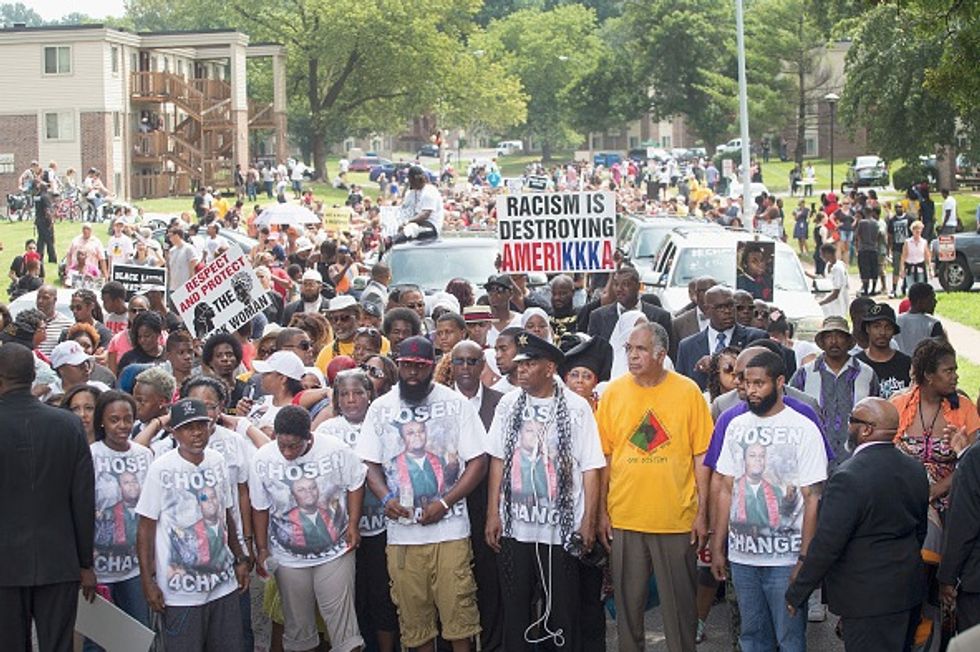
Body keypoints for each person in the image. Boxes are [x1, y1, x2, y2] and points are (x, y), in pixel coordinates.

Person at [356, 336, 487, 652]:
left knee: (460, 621)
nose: (412, 374)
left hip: (451, 532)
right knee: (415, 625)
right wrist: (387, 498)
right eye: (406, 366)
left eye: (419, 367)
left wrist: (445, 502)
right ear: (397, 365)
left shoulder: (456, 404)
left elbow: (478, 461)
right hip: (402, 537)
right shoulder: (380, 407)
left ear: (432, 367)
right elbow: (369, 463)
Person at [596, 322, 712, 652]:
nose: (632, 355)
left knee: (680, 613)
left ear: (661, 354)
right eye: (629, 349)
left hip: (676, 519)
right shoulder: (614, 393)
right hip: (625, 517)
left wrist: (703, 512)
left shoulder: (688, 392)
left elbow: (702, 455)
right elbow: (604, 455)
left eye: (641, 349)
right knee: (627, 612)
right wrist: (603, 511)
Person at [486, 331, 605, 651]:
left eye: (529, 363)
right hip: (516, 527)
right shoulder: (508, 404)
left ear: (550, 367)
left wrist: (588, 522)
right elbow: (497, 459)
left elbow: (591, 467)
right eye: (519, 363)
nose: (520, 369)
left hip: (561, 531)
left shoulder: (577, 408)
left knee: (563, 612)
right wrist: (492, 515)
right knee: (516, 610)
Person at [786, 397, 929, 652]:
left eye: (852, 420)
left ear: (866, 430)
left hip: (867, 598)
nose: (847, 425)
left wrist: (799, 591)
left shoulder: (848, 477)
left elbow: (829, 542)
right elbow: (920, 529)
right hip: (907, 588)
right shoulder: (915, 468)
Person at [710, 350, 827, 652]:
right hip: (742, 558)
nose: (751, 391)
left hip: (785, 561)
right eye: (747, 383)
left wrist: (804, 558)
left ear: (779, 382)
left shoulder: (804, 428)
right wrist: (717, 545)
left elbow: (813, 498)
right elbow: (724, 487)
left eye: (759, 384)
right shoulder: (735, 426)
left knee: (790, 640)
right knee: (751, 638)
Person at [0, 343, 95, 652]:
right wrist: (85, 562)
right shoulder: (68, 425)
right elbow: (83, 499)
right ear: (32, 376)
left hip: (5, 564)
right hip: (60, 559)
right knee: (58, 645)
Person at [135, 398, 251, 650]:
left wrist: (240, 557)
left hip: (222, 582)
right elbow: (145, 528)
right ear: (174, 432)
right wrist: (148, 581)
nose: (196, 433)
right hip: (180, 591)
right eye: (188, 427)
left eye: (201, 425)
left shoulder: (218, 460)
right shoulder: (161, 469)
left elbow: (227, 513)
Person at [251, 406, 366, 652]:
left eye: (294, 446)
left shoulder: (335, 449)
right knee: (298, 630)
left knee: (344, 627)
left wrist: (354, 524)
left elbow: (356, 482)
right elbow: (260, 507)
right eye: (282, 445)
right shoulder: (263, 458)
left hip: (335, 550)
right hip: (288, 556)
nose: (287, 452)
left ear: (308, 437)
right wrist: (261, 548)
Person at [314, 369, 399, 651]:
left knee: (381, 594)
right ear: (336, 399)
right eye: (344, 394)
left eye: (358, 393)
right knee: (352, 596)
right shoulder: (327, 431)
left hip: (381, 527)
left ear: (370, 395)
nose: (351, 399)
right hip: (341, 532)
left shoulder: (385, 424)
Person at [448, 339, 504, 651]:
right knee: (453, 589)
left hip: (489, 504)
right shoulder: (438, 403)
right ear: (451, 366)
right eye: (460, 362)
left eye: (472, 361)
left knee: (490, 584)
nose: (466, 368)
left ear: (483, 365)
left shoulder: (502, 402)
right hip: (450, 506)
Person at [87, 390, 153, 652]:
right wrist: (84, 566)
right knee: (98, 641)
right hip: (99, 567)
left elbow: (150, 510)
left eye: (128, 419)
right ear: (102, 421)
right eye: (114, 420)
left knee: (138, 636)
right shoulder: (90, 455)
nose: (122, 426)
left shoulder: (144, 455)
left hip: (136, 565)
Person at [789, 316, 878, 468]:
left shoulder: (866, 373)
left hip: (856, 457)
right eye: (829, 336)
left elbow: (876, 414)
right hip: (814, 455)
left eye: (839, 336)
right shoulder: (805, 373)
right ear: (822, 342)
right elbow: (791, 411)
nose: (834, 341)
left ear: (848, 341)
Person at [675, 285, 767, 391]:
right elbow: (680, 386)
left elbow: (763, 377)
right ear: (707, 310)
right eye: (720, 307)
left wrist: (716, 363)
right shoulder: (687, 346)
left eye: (731, 306)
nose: (727, 311)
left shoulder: (756, 338)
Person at [587, 266, 675, 358]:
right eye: (616, 284)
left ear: (638, 286)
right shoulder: (598, 317)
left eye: (625, 284)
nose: (619, 289)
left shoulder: (660, 317)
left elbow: (669, 355)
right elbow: (593, 355)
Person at [856, 303, 911, 399]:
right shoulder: (856, 363)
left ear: (894, 331)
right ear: (867, 328)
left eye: (888, 327)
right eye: (876, 327)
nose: (882, 332)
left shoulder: (906, 363)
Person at [393, 166, 443, 244]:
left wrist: (407, 222)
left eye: (410, 179)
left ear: (417, 179)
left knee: (412, 229)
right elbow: (404, 208)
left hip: (430, 226)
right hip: (415, 224)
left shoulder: (430, 191)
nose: (409, 182)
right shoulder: (411, 193)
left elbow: (425, 215)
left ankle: (391, 241)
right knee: (403, 229)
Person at [893, 283, 945, 356]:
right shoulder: (933, 324)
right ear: (920, 302)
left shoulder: (897, 321)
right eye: (931, 299)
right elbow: (941, 352)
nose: (935, 302)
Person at [484, 274, 523, 347]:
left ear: (510, 293)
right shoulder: (482, 323)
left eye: (500, 290)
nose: (494, 294)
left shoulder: (521, 321)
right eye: (490, 290)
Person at [818, 242, 849, 318]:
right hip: (829, 304)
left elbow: (836, 294)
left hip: (838, 304)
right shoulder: (828, 265)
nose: (821, 256)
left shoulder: (838, 268)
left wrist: (820, 303)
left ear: (828, 254)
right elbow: (826, 279)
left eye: (822, 254)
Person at [166, 226, 201, 293]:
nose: (170, 239)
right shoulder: (172, 250)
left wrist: (191, 282)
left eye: (171, 236)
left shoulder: (188, 248)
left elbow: (194, 263)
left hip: (185, 287)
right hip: (173, 287)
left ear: (177, 236)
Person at [855, 208, 882, 296]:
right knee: (874, 269)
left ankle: (866, 290)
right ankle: (873, 289)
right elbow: (878, 235)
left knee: (864, 270)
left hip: (863, 248)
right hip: (874, 248)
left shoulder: (862, 223)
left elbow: (858, 235)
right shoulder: (876, 223)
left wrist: (857, 247)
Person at [899, 220, 930, 288]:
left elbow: (927, 256)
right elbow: (903, 256)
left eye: (919, 229)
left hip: (920, 269)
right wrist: (902, 269)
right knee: (911, 288)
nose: (918, 231)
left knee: (920, 288)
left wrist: (930, 269)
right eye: (916, 229)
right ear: (912, 231)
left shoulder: (924, 242)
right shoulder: (907, 242)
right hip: (910, 269)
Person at [548, 274, 579, 340]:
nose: (557, 298)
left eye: (562, 294)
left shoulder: (581, 315)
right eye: (554, 294)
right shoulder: (546, 315)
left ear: (572, 292)